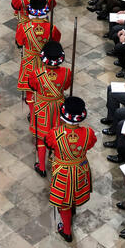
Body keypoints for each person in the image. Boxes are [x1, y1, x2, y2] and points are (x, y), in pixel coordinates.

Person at [45, 96, 97, 243]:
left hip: (63, 172)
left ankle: (66, 231)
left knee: (63, 202)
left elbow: (49, 144)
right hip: (80, 169)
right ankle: (73, 208)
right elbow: (90, 145)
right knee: (74, 194)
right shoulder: (88, 133)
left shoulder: (55, 133)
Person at [29, 40, 73, 176]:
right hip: (59, 107)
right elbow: (66, 87)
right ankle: (55, 167)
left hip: (42, 107)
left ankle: (41, 167)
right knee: (57, 137)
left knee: (41, 138)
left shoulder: (36, 73)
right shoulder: (66, 72)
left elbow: (33, 87)